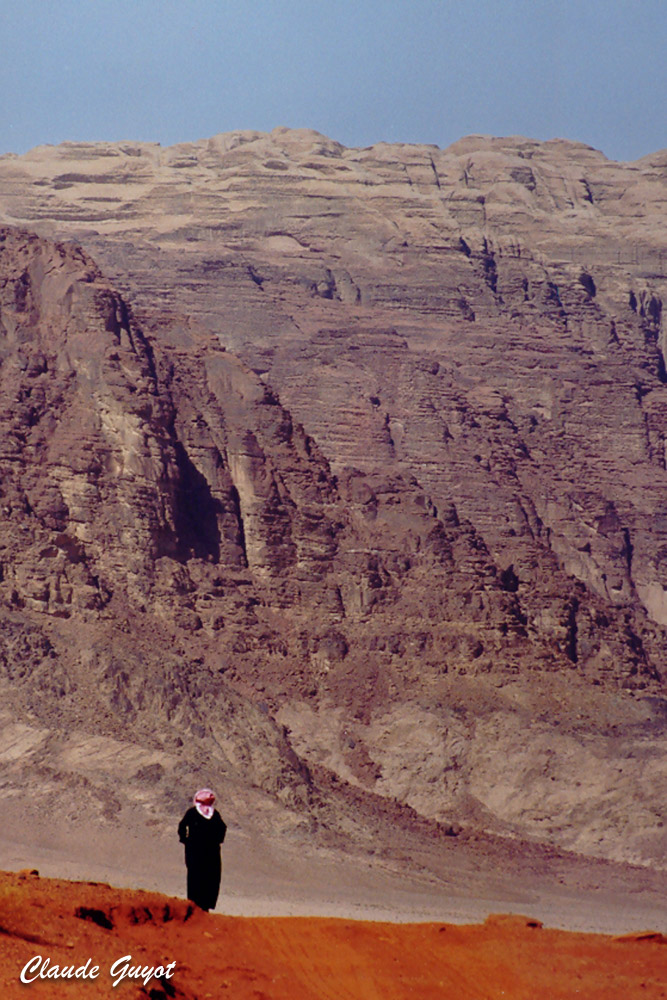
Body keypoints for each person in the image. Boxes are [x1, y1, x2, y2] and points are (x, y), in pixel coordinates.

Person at [177, 788, 227, 911]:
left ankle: (199, 906)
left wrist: (185, 840)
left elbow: (182, 827)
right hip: (208, 851)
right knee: (205, 875)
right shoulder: (210, 814)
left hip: (198, 850)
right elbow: (223, 828)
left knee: (204, 876)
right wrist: (217, 841)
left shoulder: (198, 813)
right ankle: (200, 906)